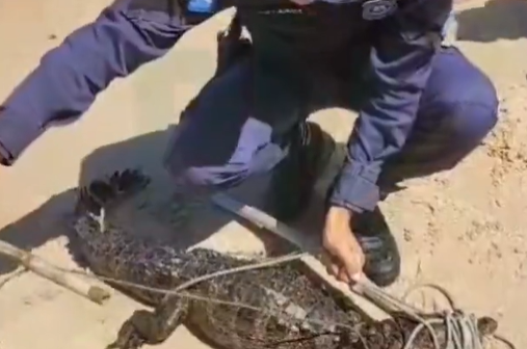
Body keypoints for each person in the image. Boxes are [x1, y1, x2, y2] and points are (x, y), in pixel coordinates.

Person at [0, 0, 498, 287]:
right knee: (196, 168)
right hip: (283, 66)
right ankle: (300, 149)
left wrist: (349, 201)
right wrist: (8, 132)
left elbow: (398, 89)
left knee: (466, 109)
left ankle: (362, 191)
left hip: (381, 64)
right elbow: (117, 36)